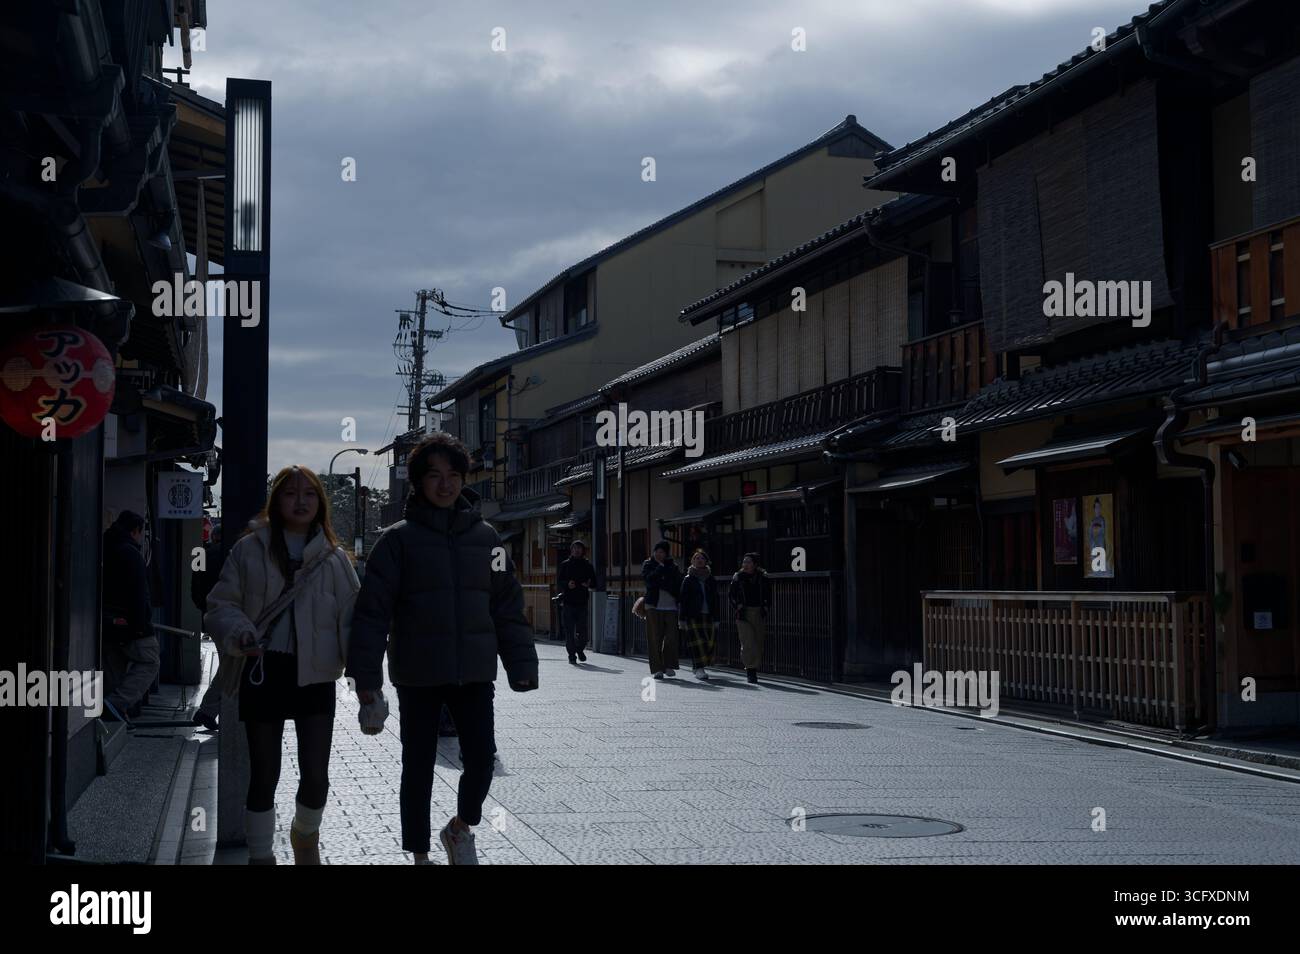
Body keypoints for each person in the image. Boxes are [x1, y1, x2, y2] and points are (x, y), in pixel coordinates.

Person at [346, 431, 538, 866]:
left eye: (453, 474)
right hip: (417, 673)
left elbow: (507, 603)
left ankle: (460, 828)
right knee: (418, 766)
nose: (445, 484)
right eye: (434, 475)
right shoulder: (396, 541)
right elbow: (372, 614)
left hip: (473, 670)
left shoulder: (488, 538)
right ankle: (419, 856)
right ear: (418, 482)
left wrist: (520, 663)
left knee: (482, 760)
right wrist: (366, 681)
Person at [205, 466, 361, 865]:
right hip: (264, 670)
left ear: (320, 503)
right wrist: (240, 632)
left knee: (315, 776)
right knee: (264, 774)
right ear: (277, 501)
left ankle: (304, 837)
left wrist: (367, 681)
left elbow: (353, 620)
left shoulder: (333, 559)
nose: (301, 501)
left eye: (309, 494)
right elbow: (222, 604)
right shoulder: (248, 549)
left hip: (317, 674)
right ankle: (260, 856)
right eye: (291, 494)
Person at [102, 510, 160, 721]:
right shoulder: (130, 553)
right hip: (130, 622)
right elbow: (138, 593)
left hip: (106, 620)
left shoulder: (104, 547)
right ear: (135, 531)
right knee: (150, 661)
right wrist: (140, 625)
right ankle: (114, 704)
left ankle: (111, 712)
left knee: (114, 670)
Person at [191, 523, 229, 730]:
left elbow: (194, 587)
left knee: (229, 664)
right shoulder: (232, 556)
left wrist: (204, 610)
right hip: (230, 616)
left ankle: (209, 710)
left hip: (210, 616)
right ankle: (207, 710)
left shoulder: (200, 554)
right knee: (230, 665)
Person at [641, 540, 682, 680]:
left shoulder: (674, 566)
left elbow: (677, 583)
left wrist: (662, 579)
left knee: (671, 637)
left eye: (662, 552)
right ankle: (657, 668)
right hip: (653, 605)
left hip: (670, 605)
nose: (659, 554)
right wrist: (660, 570)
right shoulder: (648, 564)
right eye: (657, 551)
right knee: (655, 637)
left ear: (666, 553)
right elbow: (649, 581)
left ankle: (669, 665)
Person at [729, 552, 770, 684]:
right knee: (748, 642)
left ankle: (755, 667)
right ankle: (750, 671)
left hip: (758, 611)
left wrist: (766, 607)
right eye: (744, 562)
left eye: (748, 562)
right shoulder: (738, 577)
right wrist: (738, 606)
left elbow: (768, 594)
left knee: (758, 641)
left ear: (755, 564)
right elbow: (731, 595)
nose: (745, 564)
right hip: (743, 613)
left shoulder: (763, 577)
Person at [678, 549, 718, 681]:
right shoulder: (688, 579)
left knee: (709, 642)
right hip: (693, 615)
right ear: (692, 561)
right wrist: (682, 619)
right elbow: (683, 600)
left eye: (702, 558)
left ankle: (697, 666)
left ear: (706, 561)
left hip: (708, 614)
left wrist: (717, 617)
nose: (699, 560)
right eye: (696, 558)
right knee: (698, 643)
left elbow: (716, 598)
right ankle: (700, 668)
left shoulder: (710, 578)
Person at [556, 539, 597, 664]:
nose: (577, 550)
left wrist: (588, 584)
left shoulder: (588, 565)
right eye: (574, 548)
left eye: (579, 548)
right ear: (571, 550)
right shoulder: (565, 564)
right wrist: (567, 584)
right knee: (569, 631)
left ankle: (580, 649)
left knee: (582, 631)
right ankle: (571, 655)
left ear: (583, 551)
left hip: (582, 602)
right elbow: (559, 582)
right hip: (568, 602)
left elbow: (594, 582)